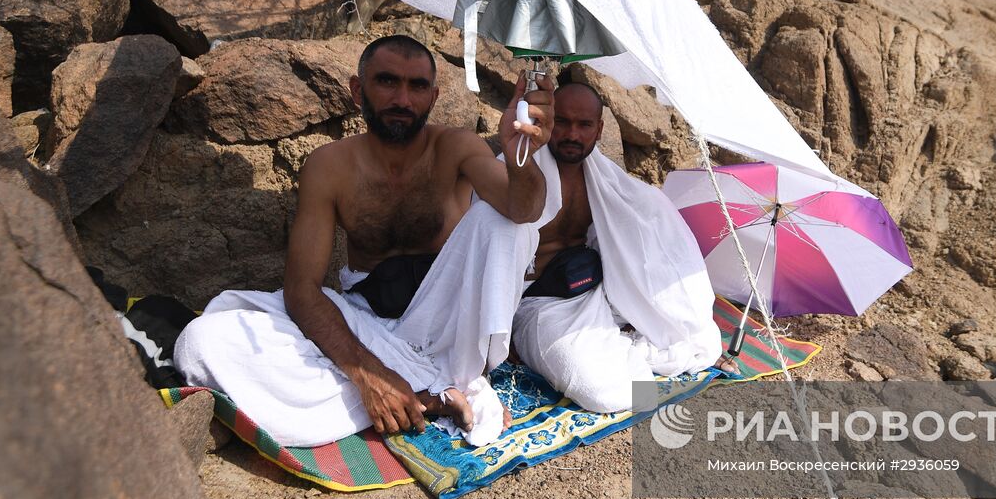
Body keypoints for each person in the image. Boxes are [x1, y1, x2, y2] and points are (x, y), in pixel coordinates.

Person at [173, 35, 555, 447]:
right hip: (367, 318)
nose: (403, 99)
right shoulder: (329, 166)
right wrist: (366, 373)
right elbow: (301, 291)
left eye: (417, 87)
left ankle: (426, 383)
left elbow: (524, 210)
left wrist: (522, 157)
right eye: (388, 82)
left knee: (502, 223)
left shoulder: (456, 147)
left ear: (434, 96)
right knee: (203, 340)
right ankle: (428, 396)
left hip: (448, 329)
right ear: (358, 90)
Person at [510, 83, 727, 414]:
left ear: (598, 130)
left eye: (584, 125)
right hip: (539, 304)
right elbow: (486, 253)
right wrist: (498, 332)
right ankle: (625, 358)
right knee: (604, 394)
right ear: (547, 121)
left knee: (686, 327)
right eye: (563, 122)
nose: (572, 134)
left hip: (594, 290)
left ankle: (621, 346)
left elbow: (640, 227)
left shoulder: (606, 179)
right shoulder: (517, 171)